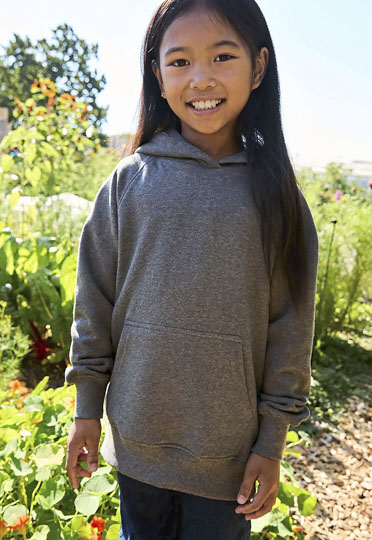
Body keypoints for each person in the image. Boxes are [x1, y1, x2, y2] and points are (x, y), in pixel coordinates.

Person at [65, 0, 319, 538]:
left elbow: (291, 330)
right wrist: (87, 407)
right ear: (158, 76)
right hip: (136, 445)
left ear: (258, 67)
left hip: (228, 457)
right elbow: (94, 302)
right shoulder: (128, 183)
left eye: (223, 56)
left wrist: (272, 441)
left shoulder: (278, 199)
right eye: (179, 61)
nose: (201, 78)